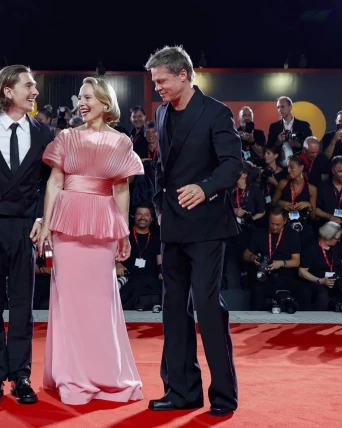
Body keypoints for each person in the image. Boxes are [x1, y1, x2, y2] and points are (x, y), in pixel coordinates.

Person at [145, 46, 241, 417]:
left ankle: (223, 395)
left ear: (183, 75)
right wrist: (158, 208)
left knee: (206, 307)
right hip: (172, 226)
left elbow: (233, 164)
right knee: (173, 311)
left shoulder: (216, 112)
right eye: (155, 83)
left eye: (162, 81)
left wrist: (206, 187)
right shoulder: (162, 113)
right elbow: (161, 167)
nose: (158, 89)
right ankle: (181, 391)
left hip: (207, 226)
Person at [37, 77, 144, 405]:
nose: (81, 103)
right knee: (68, 303)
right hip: (67, 224)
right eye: (79, 98)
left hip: (103, 225)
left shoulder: (122, 142)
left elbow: (122, 189)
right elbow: (55, 182)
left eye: (87, 97)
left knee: (100, 303)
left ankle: (105, 374)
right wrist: (46, 226)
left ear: (104, 101)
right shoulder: (66, 137)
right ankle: (72, 376)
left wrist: (123, 231)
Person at [0, 65, 54, 406]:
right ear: (7, 91)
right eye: (29, 85)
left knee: (22, 305)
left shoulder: (45, 134)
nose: (34, 92)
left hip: (24, 227)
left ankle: (21, 375)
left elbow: (53, 183)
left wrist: (43, 217)